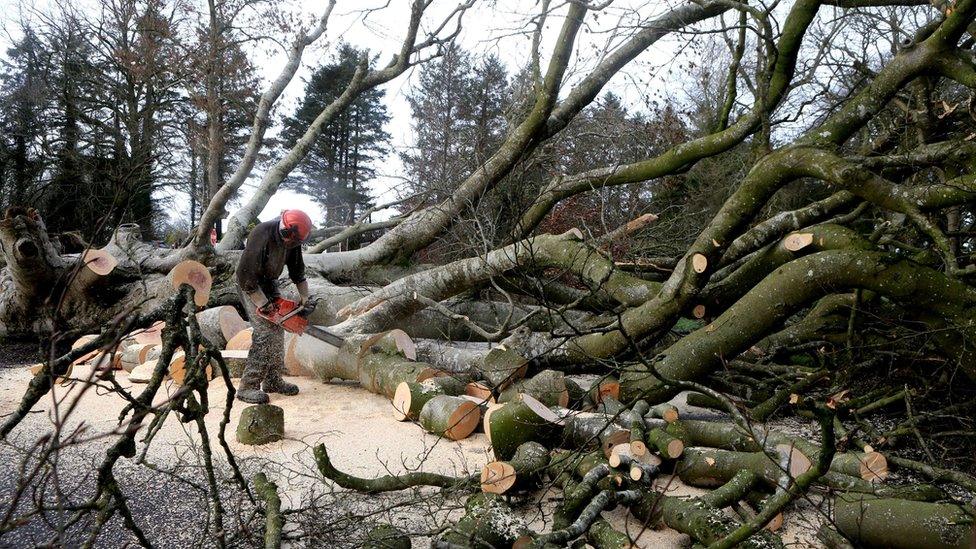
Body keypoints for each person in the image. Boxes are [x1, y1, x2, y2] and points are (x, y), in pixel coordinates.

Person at [235, 209, 314, 404]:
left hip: (269, 282)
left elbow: (298, 272)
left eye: (296, 242)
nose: (292, 244)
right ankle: (248, 386)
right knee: (265, 333)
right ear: (285, 230)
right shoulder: (261, 233)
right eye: (291, 240)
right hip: (249, 283)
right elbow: (246, 276)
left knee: (278, 329)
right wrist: (263, 304)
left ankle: (272, 380)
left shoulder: (294, 240)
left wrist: (305, 298)